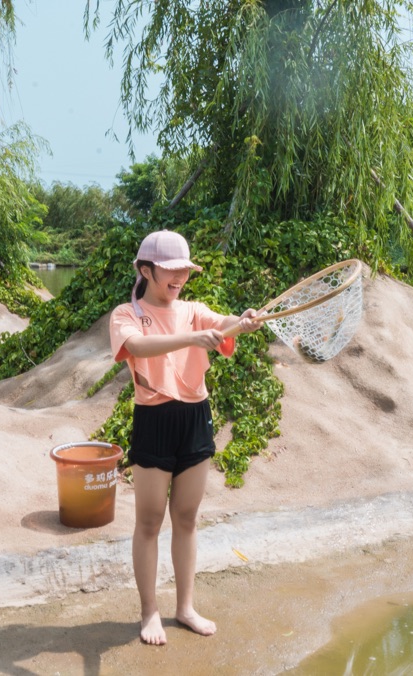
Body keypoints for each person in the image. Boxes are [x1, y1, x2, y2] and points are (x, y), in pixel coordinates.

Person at [108, 230, 261, 645]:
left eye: (185, 271)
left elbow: (224, 326)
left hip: (196, 416)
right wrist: (194, 338)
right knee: (149, 520)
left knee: (188, 518)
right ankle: (149, 612)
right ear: (146, 270)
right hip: (153, 419)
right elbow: (138, 346)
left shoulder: (194, 310)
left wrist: (242, 322)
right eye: (171, 270)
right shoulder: (127, 313)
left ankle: (185, 607)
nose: (179, 278)